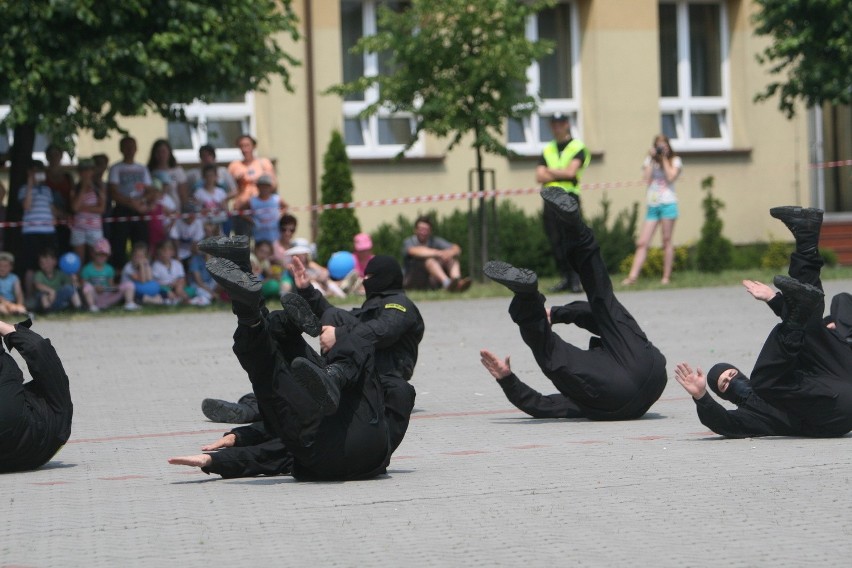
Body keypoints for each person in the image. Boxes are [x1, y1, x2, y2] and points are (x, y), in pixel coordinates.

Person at [169, 237, 404, 481]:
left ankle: (279, 324)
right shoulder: (384, 401)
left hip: (327, 444)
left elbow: (276, 451)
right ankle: (256, 305)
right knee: (274, 373)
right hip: (361, 444)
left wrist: (230, 448)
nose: (365, 281)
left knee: (287, 364)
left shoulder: (399, 308)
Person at [480, 187, 667, 420]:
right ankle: (570, 237)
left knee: (602, 303)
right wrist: (558, 314)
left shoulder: (592, 389)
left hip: (643, 382)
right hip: (645, 370)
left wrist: (507, 379)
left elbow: (544, 406)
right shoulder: (599, 381)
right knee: (559, 350)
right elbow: (543, 405)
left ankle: (573, 233)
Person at [674, 206, 852, 438]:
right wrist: (701, 396)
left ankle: (806, 240)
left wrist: (773, 300)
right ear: (726, 396)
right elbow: (724, 424)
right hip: (831, 418)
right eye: (725, 384)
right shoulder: (751, 414)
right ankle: (796, 313)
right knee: (767, 377)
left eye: (730, 374)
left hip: (841, 379)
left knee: (807, 328)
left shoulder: (785, 379)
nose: (730, 380)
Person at [0, 318, 73, 473]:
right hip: (34, 447)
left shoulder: (59, 415)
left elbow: (38, 349)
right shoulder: (55, 424)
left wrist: (9, 329)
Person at [537, 113, 590, 293]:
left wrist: (550, 171)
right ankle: (565, 277)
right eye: (553, 124)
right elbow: (539, 176)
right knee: (555, 239)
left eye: (560, 123)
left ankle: (577, 279)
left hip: (569, 197)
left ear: (567, 124)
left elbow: (571, 173)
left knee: (572, 239)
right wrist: (559, 171)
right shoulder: (548, 149)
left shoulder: (577, 147)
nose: (556, 127)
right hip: (550, 197)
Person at [622, 134, 683, 285]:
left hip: (668, 204)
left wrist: (663, 159)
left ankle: (666, 277)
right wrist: (651, 158)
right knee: (643, 242)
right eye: (659, 145)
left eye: (664, 145)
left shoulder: (675, 160)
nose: (662, 148)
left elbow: (670, 177)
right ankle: (633, 277)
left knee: (666, 240)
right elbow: (646, 178)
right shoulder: (650, 161)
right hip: (653, 205)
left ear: (668, 146)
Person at [107, 136, 152, 271]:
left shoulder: (142, 168)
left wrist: (142, 202)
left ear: (136, 148)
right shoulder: (115, 168)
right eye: (126, 147)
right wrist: (131, 203)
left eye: (132, 146)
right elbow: (113, 192)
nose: (129, 150)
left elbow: (150, 190)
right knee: (119, 243)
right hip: (122, 209)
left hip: (140, 209)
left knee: (141, 241)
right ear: (121, 149)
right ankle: (120, 272)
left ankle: (142, 270)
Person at [18, 159, 60, 298]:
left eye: (40, 171)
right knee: (31, 264)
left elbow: (52, 209)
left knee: (50, 263)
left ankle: (52, 294)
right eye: (35, 171)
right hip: (31, 232)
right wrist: (30, 184)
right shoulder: (24, 189)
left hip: (48, 231)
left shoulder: (47, 190)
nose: (38, 174)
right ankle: (29, 296)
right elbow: (27, 206)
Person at [401, 215, 471, 292]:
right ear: (415, 230)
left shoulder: (434, 240)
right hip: (412, 279)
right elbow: (413, 251)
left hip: (430, 280)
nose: (423, 232)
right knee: (430, 261)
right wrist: (438, 253)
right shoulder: (409, 242)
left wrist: (450, 253)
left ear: (430, 231)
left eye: (426, 230)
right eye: (421, 229)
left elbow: (456, 248)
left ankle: (457, 283)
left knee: (452, 260)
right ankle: (448, 284)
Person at [227, 134, 278, 237]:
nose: (245, 149)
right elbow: (228, 191)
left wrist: (260, 182)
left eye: (247, 145)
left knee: (265, 243)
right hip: (242, 210)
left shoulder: (264, 163)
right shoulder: (234, 166)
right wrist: (238, 182)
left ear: (254, 146)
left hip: (261, 209)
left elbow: (274, 185)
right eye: (242, 146)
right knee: (242, 243)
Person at [79, 239, 138, 312]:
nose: (102, 257)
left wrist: (107, 289)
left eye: (105, 255)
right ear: (93, 254)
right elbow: (82, 286)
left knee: (129, 284)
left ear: (108, 256)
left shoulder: (109, 269)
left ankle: (129, 303)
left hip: (107, 295)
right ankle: (92, 306)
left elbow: (111, 286)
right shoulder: (87, 269)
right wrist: (95, 288)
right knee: (87, 286)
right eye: (99, 254)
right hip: (94, 296)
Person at [70, 158, 106, 264]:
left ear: (93, 171)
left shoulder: (99, 187)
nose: (86, 173)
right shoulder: (75, 188)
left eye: (88, 170)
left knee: (95, 258)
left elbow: (101, 209)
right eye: (83, 170)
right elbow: (74, 208)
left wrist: (83, 207)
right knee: (78, 260)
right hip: (78, 227)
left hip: (94, 228)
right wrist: (83, 188)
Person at [43, 144, 75, 255]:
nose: (54, 157)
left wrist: (69, 214)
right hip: (49, 218)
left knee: (66, 245)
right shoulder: (43, 177)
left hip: (66, 217)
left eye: (56, 154)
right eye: (50, 155)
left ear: (61, 156)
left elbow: (72, 197)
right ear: (47, 157)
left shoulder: (68, 177)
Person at [33, 248, 82, 313]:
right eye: (42, 263)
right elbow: (38, 285)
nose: (45, 265)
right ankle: (47, 311)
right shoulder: (39, 274)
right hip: (44, 301)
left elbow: (72, 286)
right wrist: (51, 291)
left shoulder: (60, 273)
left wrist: (74, 280)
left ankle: (79, 307)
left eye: (47, 262)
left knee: (69, 289)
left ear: (55, 262)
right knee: (42, 295)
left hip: (57, 299)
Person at [147, 139, 188, 210]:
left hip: (175, 210)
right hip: (156, 210)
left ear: (169, 153)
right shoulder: (149, 172)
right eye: (158, 152)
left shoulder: (177, 171)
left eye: (163, 152)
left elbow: (183, 194)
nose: (161, 155)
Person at [248, 174, 284, 243]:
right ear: (258, 187)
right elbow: (240, 211)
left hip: (275, 235)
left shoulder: (276, 199)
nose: (264, 189)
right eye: (262, 186)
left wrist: (280, 215)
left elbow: (286, 207)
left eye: (266, 186)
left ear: (270, 187)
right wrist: (253, 220)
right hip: (259, 236)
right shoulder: (252, 200)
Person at [151, 240, 189, 305]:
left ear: (173, 252)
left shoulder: (177, 264)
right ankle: (181, 300)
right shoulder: (156, 265)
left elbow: (182, 279)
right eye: (162, 251)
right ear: (159, 252)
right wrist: (167, 285)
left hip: (176, 286)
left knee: (179, 288)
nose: (164, 254)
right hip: (163, 287)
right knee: (167, 291)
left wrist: (176, 283)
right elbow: (154, 282)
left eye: (167, 251)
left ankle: (186, 300)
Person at [0, 252, 29, 317]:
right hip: (2, 303)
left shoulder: (14, 278)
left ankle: (17, 312)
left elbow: (19, 293)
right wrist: (9, 305)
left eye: (5, 266)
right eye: (0, 266)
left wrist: (19, 304)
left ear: (11, 267)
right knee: (2, 309)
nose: (2, 268)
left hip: (12, 302)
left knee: (22, 309)